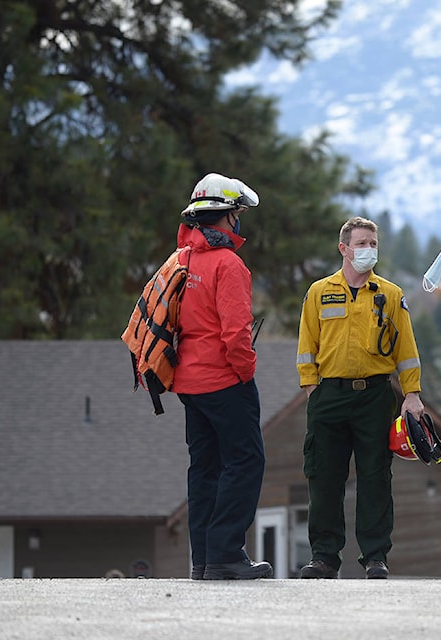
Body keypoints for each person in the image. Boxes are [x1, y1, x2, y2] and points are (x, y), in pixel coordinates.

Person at [295, 216, 425, 579]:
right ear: (344, 248)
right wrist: (311, 388)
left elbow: (407, 350)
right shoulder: (319, 292)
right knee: (324, 478)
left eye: (373, 243)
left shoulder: (391, 295)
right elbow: (307, 344)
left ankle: (375, 556)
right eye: (361, 243)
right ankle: (324, 557)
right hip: (329, 396)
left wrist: (412, 393)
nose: (368, 249)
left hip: (374, 396)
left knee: (375, 477)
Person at [173, 172, 272, 581]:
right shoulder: (228, 264)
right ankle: (227, 555)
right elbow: (235, 334)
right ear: (228, 216)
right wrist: (246, 375)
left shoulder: (183, 258)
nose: (240, 221)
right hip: (224, 380)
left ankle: (203, 560)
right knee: (246, 461)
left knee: (204, 469)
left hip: (187, 383)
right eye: (239, 213)